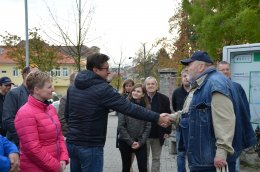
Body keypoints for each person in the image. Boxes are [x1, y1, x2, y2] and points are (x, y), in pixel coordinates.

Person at [64, 53, 173, 172]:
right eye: (106, 69)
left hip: (72, 144)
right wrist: (157, 117)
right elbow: (130, 108)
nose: (109, 72)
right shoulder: (102, 89)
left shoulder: (73, 87)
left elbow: (67, 115)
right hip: (90, 147)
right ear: (95, 70)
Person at [170, 50, 256, 172]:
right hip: (205, 160)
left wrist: (221, 153)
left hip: (212, 162)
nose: (187, 68)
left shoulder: (215, 84)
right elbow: (193, 111)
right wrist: (173, 117)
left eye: (189, 65)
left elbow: (225, 121)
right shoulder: (203, 84)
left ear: (200, 66)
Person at [14, 71, 69, 171]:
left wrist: (63, 158)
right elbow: (32, 148)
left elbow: (59, 136)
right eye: (49, 87)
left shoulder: (50, 109)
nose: (53, 89)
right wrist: (55, 166)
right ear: (37, 90)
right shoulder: (25, 113)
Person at [217, 60, 251, 172]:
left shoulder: (237, 87)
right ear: (218, 72)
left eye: (227, 69)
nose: (226, 72)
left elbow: (245, 110)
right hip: (220, 133)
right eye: (223, 70)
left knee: (234, 164)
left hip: (235, 132)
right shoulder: (214, 88)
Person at [118, 83, 151, 172]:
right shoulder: (124, 105)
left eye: (138, 91)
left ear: (143, 94)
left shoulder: (147, 107)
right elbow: (121, 126)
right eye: (134, 91)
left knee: (143, 168)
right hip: (125, 141)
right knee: (126, 167)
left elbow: (148, 126)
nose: (135, 93)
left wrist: (140, 142)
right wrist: (131, 142)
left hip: (141, 142)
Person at [2, 66, 38, 146]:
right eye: (35, 75)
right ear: (25, 75)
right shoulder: (13, 94)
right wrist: (24, 138)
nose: (38, 78)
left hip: (35, 143)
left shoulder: (37, 94)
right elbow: (8, 120)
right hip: (18, 143)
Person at [144, 76, 172, 172]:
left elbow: (168, 115)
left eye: (153, 84)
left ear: (157, 86)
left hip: (158, 134)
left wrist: (167, 131)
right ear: (145, 86)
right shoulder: (141, 98)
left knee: (156, 158)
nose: (151, 85)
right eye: (148, 84)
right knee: (144, 159)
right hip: (144, 135)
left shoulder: (164, 99)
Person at [171, 69, 190, 172]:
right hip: (180, 128)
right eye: (184, 76)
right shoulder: (177, 92)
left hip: (193, 129)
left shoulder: (196, 91)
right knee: (181, 153)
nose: (186, 78)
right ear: (181, 78)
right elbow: (174, 107)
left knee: (192, 153)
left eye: (188, 76)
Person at [58, 71, 78, 136]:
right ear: (72, 82)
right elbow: (62, 119)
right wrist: (71, 134)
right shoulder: (65, 98)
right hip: (73, 137)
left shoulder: (83, 96)